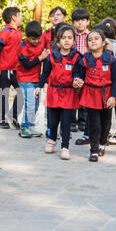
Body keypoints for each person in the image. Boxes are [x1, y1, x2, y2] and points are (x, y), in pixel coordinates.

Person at [35, 25, 82, 160]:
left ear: (74, 41)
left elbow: (78, 73)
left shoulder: (77, 57)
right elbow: (45, 73)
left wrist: (77, 80)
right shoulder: (52, 56)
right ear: (58, 41)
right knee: (52, 121)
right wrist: (39, 86)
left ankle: (65, 146)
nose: (66, 41)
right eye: (63, 38)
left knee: (66, 122)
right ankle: (52, 139)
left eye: (69, 38)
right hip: (53, 92)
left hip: (68, 93)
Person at [76, 29, 116, 162]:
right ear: (87, 44)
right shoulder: (85, 59)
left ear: (103, 42)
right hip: (91, 94)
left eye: (96, 38)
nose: (93, 41)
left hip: (107, 94)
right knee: (95, 124)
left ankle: (102, 144)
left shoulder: (110, 58)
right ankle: (94, 150)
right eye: (90, 39)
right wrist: (77, 79)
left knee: (106, 123)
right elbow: (78, 73)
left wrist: (113, 96)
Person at [17, 21, 49, 138]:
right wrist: (41, 57)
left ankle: (30, 124)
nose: (35, 41)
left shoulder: (41, 44)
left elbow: (47, 56)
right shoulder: (22, 47)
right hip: (25, 78)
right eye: (32, 39)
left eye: (37, 39)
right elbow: (27, 65)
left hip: (36, 79)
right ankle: (24, 127)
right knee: (30, 103)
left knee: (35, 104)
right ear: (27, 36)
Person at [0, 7, 23, 129]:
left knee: (22, 91)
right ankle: (3, 118)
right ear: (14, 18)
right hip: (4, 69)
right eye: (20, 15)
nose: (21, 17)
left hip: (16, 70)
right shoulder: (5, 32)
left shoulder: (19, 32)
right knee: (3, 94)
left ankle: (13, 115)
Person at [71, 9, 91, 134]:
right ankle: (72, 121)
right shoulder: (71, 34)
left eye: (83, 20)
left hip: (87, 68)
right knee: (74, 94)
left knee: (84, 93)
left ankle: (82, 120)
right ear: (73, 23)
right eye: (77, 20)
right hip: (73, 67)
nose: (80, 23)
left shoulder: (91, 35)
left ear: (88, 22)